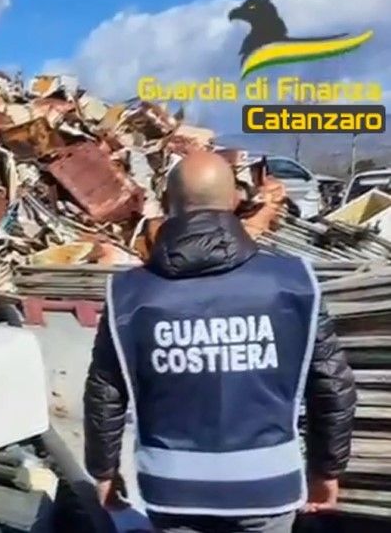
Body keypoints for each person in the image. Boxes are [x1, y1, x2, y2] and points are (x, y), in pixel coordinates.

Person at [83, 151, 357, 533]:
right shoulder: (293, 283)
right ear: (234, 202)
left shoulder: (130, 293)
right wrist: (326, 470)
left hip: (172, 491)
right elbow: (333, 385)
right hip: (267, 489)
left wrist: (104, 470)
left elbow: (105, 392)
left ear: (167, 205)